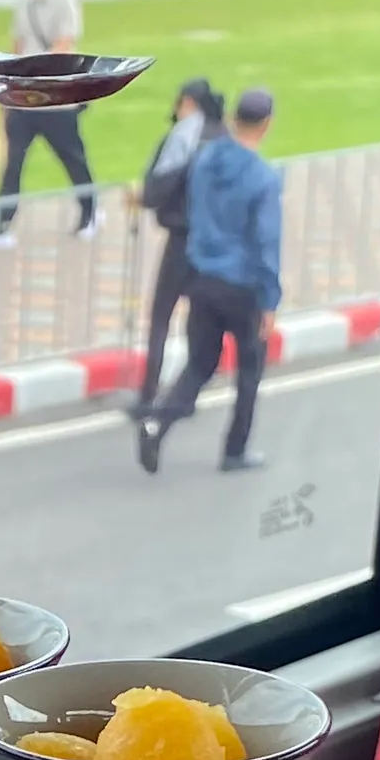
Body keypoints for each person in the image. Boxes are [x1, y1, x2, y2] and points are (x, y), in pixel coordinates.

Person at [140, 84, 282, 475]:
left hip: (201, 276)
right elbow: (266, 243)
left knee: (200, 362)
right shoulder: (264, 179)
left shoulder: (205, 161)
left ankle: (158, 423)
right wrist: (270, 300)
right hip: (242, 287)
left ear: (236, 118)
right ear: (266, 124)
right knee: (250, 367)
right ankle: (235, 450)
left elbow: (197, 215)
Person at [0, 0, 97, 235]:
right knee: (13, 162)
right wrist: (9, 83)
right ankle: (3, 220)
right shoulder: (24, 3)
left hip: (55, 98)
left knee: (72, 158)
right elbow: (17, 45)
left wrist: (37, 70)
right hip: (25, 98)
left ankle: (90, 210)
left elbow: (64, 44)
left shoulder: (64, 2)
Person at [133, 77, 219, 412]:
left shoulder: (184, 135)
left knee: (161, 316)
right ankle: (186, 396)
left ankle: (148, 395)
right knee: (199, 321)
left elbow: (156, 187)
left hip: (182, 239)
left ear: (188, 103)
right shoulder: (223, 136)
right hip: (213, 244)